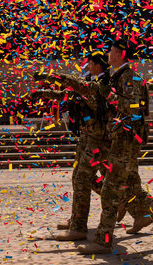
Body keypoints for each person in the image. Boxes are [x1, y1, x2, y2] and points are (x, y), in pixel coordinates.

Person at [79, 41, 153, 253]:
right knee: (132, 189)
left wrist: (108, 94)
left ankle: (102, 240)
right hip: (120, 139)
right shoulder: (118, 76)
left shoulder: (129, 77)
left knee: (109, 190)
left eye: (110, 51)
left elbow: (132, 108)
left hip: (126, 141)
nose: (107, 54)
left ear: (119, 54)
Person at [31, 52, 113, 241]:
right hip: (87, 136)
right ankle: (76, 219)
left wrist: (48, 76)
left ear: (98, 66)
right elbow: (69, 93)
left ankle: (79, 226)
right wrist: (43, 93)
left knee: (85, 179)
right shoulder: (89, 80)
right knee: (78, 177)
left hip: (98, 139)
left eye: (90, 64)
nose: (88, 67)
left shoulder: (104, 83)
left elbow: (83, 91)